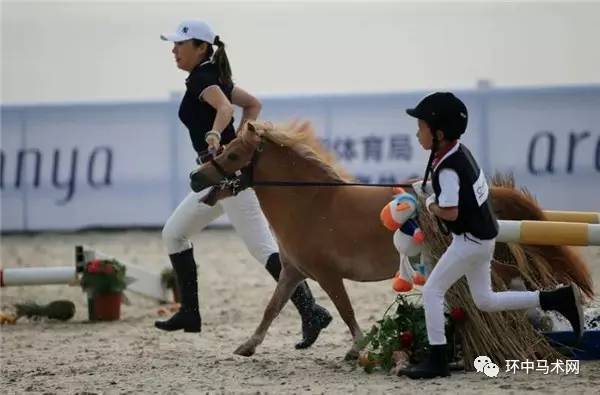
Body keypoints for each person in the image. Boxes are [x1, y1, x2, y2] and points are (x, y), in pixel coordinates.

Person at [155, 20, 331, 349]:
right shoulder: (211, 75)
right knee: (175, 234)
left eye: (181, 44)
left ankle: (311, 311)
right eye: (174, 44)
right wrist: (240, 142)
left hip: (229, 180)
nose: (174, 49)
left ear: (202, 47)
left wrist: (215, 136)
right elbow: (252, 105)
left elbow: (224, 108)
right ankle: (190, 312)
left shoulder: (202, 79)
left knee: (262, 248)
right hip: (219, 178)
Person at [400, 92, 584, 379]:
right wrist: (432, 192)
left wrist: (428, 202)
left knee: (433, 291)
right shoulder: (459, 153)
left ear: (438, 133)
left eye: (421, 127)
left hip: (470, 243)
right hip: (482, 239)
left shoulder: (447, 167)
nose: (416, 133)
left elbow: (449, 212)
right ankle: (555, 300)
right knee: (484, 300)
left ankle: (436, 359)